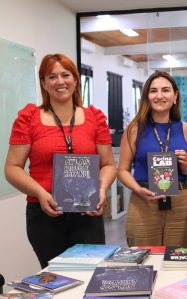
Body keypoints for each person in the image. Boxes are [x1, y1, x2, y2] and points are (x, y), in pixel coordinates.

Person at [4, 54, 116, 268]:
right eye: (52, 76)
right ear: (44, 83)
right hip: (44, 215)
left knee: (90, 275)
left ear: (75, 79)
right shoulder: (29, 119)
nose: (60, 82)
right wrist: (40, 193)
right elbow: (12, 168)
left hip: (87, 212)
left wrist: (101, 190)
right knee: (55, 279)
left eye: (65, 75)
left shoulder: (95, 118)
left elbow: (109, 164)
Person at [118, 70, 187, 247]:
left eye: (166, 90)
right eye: (153, 91)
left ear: (175, 95)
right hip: (143, 201)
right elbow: (122, 171)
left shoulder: (185, 129)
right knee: (144, 261)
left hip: (179, 203)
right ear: (147, 96)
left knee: (175, 262)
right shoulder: (133, 129)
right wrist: (137, 190)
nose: (159, 95)